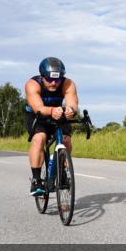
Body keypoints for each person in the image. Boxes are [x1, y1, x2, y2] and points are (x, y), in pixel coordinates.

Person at [24, 57, 79, 196]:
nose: (54, 83)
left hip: (58, 113)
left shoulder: (68, 83)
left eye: (57, 79)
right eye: (49, 79)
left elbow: (72, 103)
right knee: (39, 138)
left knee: (66, 139)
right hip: (37, 115)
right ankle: (36, 180)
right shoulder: (32, 84)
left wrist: (71, 110)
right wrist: (52, 111)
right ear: (42, 76)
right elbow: (38, 107)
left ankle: (62, 171)